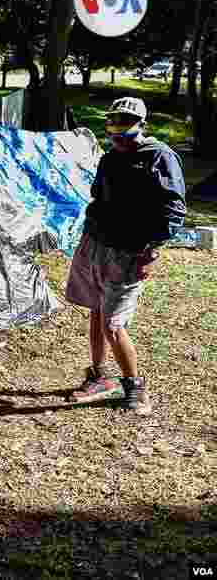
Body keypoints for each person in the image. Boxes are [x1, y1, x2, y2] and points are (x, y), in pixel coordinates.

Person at [64, 97, 186, 416]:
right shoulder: (109, 159)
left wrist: (151, 250)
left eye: (125, 123)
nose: (117, 130)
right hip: (95, 245)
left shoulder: (159, 156)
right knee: (95, 310)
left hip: (129, 254)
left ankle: (135, 389)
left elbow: (174, 210)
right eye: (113, 122)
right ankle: (99, 376)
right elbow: (98, 197)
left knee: (113, 324)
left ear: (141, 125)